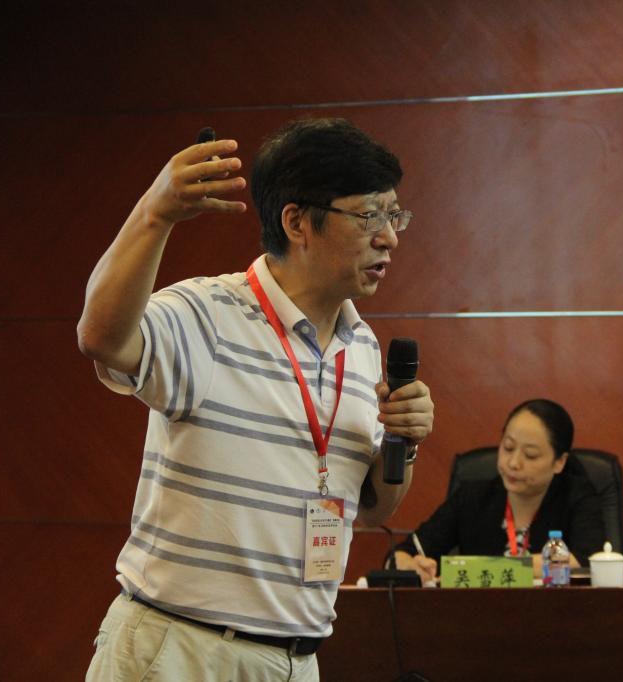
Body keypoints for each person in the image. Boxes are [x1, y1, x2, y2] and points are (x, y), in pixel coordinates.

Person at [77, 118, 434, 681]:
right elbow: (100, 337)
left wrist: (402, 442)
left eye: (394, 216)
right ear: (297, 222)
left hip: (296, 660)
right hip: (182, 651)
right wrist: (155, 214)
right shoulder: (207, 314)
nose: (389, 236)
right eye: (369, 216)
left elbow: (371, 508)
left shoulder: (362, 347)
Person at [393, 399, 605, 584]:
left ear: (559, 462)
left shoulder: (578, 498)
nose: (513, 463)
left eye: (530, 455)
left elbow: (587, 562)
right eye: (508, 448)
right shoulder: (472, 497)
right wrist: (409, 565)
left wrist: (483, 569)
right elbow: (404, 553)